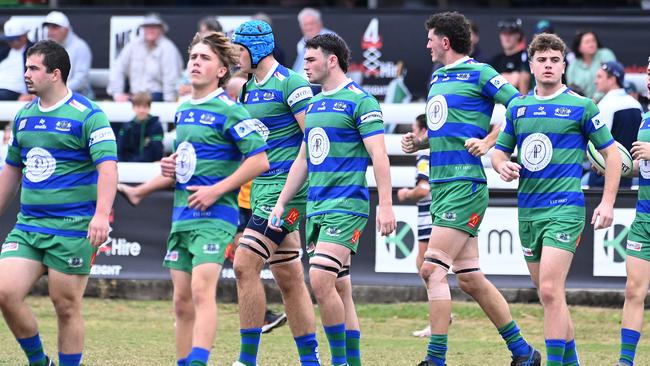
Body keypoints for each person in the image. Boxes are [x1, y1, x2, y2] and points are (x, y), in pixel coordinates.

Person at [401, 11, 539, 366]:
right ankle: (524, 353)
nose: (427, 43)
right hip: (442, 184)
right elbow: (447, 130)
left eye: (431, 38)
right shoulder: (437, 78)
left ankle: (435, 359)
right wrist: (421, 144)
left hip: (464, 185)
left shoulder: (482, 72)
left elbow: (519, 106)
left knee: (432, 270)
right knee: (470, 280)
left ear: (445, 42)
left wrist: (491, 139)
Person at [492, 33, 621, 366]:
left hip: (565, 209)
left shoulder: (582, 106)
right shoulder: (518, 107)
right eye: (542, 60)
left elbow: (613, 156)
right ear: (532, 65)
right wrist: (502, 165)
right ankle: (572, 361)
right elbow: (499, 153)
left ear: (564, 65)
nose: (548, 65)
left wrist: (607, 203)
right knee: (550, 296)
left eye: (554, 60)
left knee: (549, 291)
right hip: (528, 213)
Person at [269, 32, 396, 366]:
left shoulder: (361, 101)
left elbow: (379, 156)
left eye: (311, 60)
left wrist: (385, 204)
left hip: (347, 206)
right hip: (318, 207)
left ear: (332, 60)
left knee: (321, 279)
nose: (305, 66)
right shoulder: (313, 105)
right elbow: (303, 160)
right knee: (340, 289)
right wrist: (282, 202)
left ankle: (338, 362)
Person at [0, 40, 117, 366]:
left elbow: (108, 169)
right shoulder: (23, 117)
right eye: (25, 67)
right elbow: (10, 173)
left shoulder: (88, 115)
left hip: (73, 227)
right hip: (29, 226)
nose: (26, 74)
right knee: (5, 293)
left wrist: (101, 215)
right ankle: (40, 362)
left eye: (33, 68)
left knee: (65, 305)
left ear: (55, 74)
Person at [160, 31, 269, 366]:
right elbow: (189, 157)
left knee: (200, 292)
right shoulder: (182, 110)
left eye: (204, 58)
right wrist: (171, 166)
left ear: (222, 70)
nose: (196, 62)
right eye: (193, 57)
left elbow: (259, 160)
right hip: (182, 215)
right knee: (180, 301)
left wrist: (217, 190)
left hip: (216, 216)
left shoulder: (231, 110)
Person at [230, 20, 319, 366]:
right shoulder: (247, 88)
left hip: (289, 191)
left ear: (257, 48)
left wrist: (297, 190)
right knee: (289, 276)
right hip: (260, 191)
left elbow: (314, 140)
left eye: (240, 48)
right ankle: (311, 362)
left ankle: (246, 360)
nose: (236, 55)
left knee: (243, 263)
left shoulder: (292, 83)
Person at [618, 56, 650, 366]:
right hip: (644, 216)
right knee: (632, 290)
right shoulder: (646, 117)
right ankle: (625, 362)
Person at [397, 114, 433, 338]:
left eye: (414, 129)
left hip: (429, 215)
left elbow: (424, 189)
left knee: (426, 267)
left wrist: (406, 193)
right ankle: (439, 317)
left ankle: (438, 318)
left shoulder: (424, 153)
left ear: (423, 131)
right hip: (434, 214)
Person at [107, 13, 183, 102]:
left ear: (162, 29)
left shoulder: (168, 49)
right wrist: (117, 94)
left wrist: (168, 104)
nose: (150, 30)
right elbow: (118, 68)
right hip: (134, 97)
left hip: (157, 98)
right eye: (147, 26)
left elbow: (171, 79)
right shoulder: (133, 45)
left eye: (154, 27)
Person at [590, 61, 643, 188]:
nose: (595, 81)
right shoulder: (636, 104)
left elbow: (595, 143)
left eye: (599, 77)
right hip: (629, 178)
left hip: (604, 178)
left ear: (612, 79)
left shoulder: (604, 105)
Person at [43, 11, 93, 97]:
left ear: (66, 30)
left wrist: (57, 90)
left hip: (79, 96)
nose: (50, 32)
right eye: (48, 28)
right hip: (55, 95)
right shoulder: (47, 47)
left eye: (55, 27)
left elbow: (81, 79)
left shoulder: (80, 47)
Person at [566, 29, 616, 100]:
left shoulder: (606, 54)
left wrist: (595, 99)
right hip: (583, 105)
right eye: (587, 42)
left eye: (593, 41)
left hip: (608, 100)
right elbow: (572, 91)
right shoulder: (573, 66)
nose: (591, 44)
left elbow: (612, 78)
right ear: (579, 48)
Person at [116, 91, 164, 162]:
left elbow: (157, 150)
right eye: (138, 106)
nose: (141, 110)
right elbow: (120, 149)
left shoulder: (156, 126)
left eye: (145, 107)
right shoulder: (127, 127)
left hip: (150, 166)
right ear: (133, 107)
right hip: (128, 166)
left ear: (149, 107)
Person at [491, 18, 530, 95]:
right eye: (504, 33)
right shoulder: (496, 60)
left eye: (511, 33)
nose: (507, 37)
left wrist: (498, 79)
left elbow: (517, 80)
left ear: (518, 35)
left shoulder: (525, 57)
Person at [292, 8, 336, 73]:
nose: (309, 28)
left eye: (311, 23)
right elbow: (298, 69)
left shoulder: (330, 38)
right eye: (305, 25)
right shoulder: (301, 43)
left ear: (320, 23)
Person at [0, 17, 34, 101]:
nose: (11, 43)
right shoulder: (4, 50)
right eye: (9, 40)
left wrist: (33, 94)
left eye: (14, 39)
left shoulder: (34, 51)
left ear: (24, 36)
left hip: (17, 92)